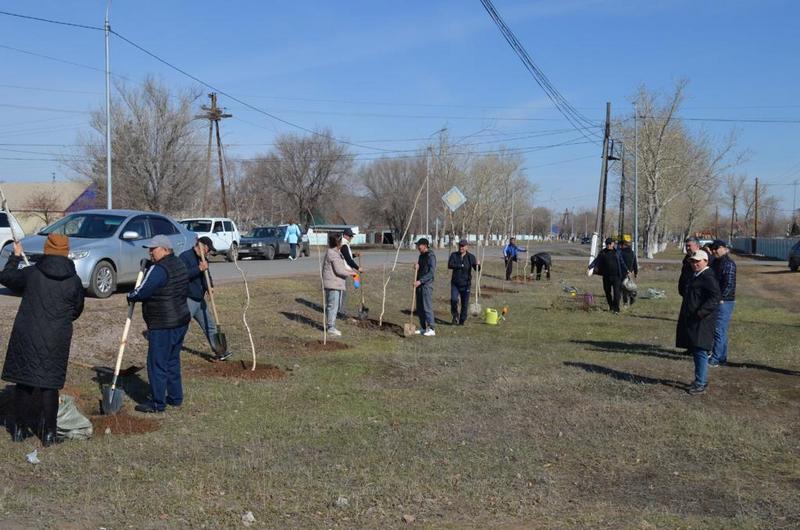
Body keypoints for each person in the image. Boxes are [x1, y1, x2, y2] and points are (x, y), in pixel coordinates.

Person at [0, 234, 84, 445]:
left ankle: (18, 429)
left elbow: (7, 277)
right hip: (56, 338)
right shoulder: (74, 281)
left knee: (24, 382)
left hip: (28, 335)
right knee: (50, 385)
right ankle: (49, 434)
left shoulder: (32, 274)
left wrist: (15, 256)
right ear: (66, 252)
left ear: (47, 250)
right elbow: (77, 309)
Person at [128, 235, 191, 413]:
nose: (150, 252)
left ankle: (157, 403)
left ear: (164, 249)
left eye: (153, 249)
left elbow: (142, 291)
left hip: (163, 323)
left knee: (157, 364)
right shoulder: (178, 264)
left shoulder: (159, 269)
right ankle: (175, 397)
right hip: (181, 320)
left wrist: (130, 296)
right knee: (172, 360)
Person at [675, 250, 721, 395]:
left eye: (698, 261)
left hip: (702, 321)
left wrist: (701, 313)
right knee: (696, 350)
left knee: (700, 351)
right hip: (694, 319)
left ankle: (701, 383)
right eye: (693, 261)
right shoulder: (697, 275)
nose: (695, 264)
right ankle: (699, 380)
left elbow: (715, 297)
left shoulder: (708, 276)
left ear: (705, 261)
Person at [179, 236, 232, 362]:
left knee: (210, 326)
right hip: (188, 299)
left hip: (199, 300)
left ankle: (221, 352)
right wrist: (198, 269)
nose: (208, 252)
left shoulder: (203, 259)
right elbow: (182, 275)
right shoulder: (184, 257)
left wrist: (210, 286)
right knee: (181, 327)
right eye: (208, 249)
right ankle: (170, 351)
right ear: (201, 245)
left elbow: (206, 274)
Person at [322, 232, 356, 337]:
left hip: (334, 283)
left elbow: (341, 268)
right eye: (340, 241)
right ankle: (331, 327)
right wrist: (352, 273)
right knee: (333, 306)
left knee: (332, 305)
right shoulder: (333, 254)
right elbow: (339, 270)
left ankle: (330, 325)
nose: (342, 243)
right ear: (337, 242)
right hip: (333, 283)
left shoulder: (335, 252)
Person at [709, 239, 736, 367]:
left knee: (719, 330)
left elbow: (729, 284)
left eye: (716, 248)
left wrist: (720, 298)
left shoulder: (728, 264)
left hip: (724, 301)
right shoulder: (715, 262)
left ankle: (716, 358)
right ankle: (722, 357)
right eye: (712, 249)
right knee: (720, 330)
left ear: (724, 248)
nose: (714, 251)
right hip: (717, 299)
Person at [590, 238, 628, 313]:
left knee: (617, 293)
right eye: (607, 244)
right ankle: (611, 306)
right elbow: (596, 261)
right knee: (607, 292)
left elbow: (622, 262)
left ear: (613, 244)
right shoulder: (603, 253)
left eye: (610, 244)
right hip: (606, 276)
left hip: (616, 276)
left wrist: (627, 270)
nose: (609, 245)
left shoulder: (617, 252)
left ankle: (616, 308)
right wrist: (590, 267)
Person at [447, 239, 480, 325]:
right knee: (454, 300)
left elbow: (477, 269)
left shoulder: (470, 257)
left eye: (463, 246)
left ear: (466, 247)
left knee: (464, 303)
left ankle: (462, 320)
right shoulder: (454, 255)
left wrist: (478, 265)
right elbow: (450, 265)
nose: (461, 247)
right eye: (460, 246)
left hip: (466, 284)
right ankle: (455, 315)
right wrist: (460, 266)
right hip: (455, 283)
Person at [338, 227, 363, 319]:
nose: (351, 238)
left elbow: (348, 257)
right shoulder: (343, 245)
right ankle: (340, 312)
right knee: (341, 292)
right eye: (350, 236)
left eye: (351, 236)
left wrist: (355, 255)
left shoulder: (345, 244)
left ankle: (341, 310)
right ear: (345, 235)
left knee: (343, 292)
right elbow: (348, 260)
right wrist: (358, 268)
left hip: (344, 270)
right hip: (342, 270)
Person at [414, 237, 437, 336]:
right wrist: (416, 267)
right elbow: (420, 268)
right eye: (417, 245)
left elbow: (431, 273)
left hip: (426, 285)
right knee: (419, 308)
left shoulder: (430, 256)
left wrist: (421, 281)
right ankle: (423, 327)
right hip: (419, 283)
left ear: (425, 245)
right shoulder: (421, 256)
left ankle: (431, 328)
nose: (418, 247)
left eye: (420, 245)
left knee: (427, 306)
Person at [618, 240, 638, 307]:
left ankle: (625, 302)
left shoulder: (621, 253)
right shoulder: (632, 253)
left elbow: (620, 263)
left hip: (623, 272)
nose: (620, 246)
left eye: (621, 245)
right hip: (630, 273)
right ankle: (631, 296)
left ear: (624, 245)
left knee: (623, 288)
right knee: (628, 286)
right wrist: (636, 272)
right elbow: (635, 263)